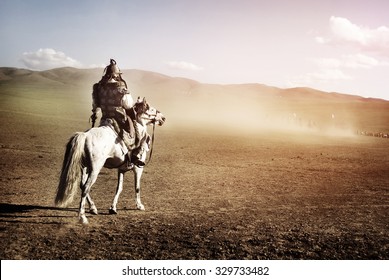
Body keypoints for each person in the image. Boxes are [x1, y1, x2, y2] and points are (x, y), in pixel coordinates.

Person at [90, 59, 148, 170]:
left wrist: (95, 112)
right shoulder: (121, 87)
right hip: (119, 119)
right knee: (137, 130)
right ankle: (134, 156)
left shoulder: (98, 87)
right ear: (117, 75)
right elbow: (128, 104)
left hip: (105, 118)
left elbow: (95, 105)